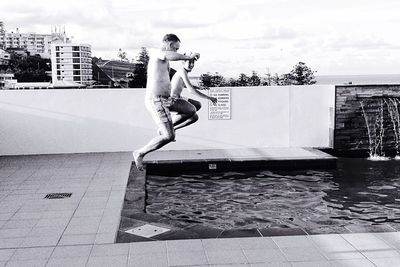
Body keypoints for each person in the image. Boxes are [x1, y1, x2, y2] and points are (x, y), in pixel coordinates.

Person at [133, 34, 200, 171]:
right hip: (156, 100)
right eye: (175, 48)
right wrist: (188, 57)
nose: (176, 51)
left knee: (193, 110)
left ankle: (168, 127)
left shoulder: (165, 61)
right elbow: (169, 55)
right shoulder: (159, 54)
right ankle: (140, 153)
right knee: (169, 137)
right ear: (169, 44)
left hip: (167, 100)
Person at [169, 54, 217, 131]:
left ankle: (173, 129)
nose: (191, 65)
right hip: (172, 99)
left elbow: (184, 84)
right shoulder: (182, 71)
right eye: (189, 62)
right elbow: (191, 90)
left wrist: (199, 87)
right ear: (183, 63)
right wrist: (209, 98)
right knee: (194, 109)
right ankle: (167, 127)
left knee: (195, 115)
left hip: (178, 97)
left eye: (193, 63)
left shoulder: (183, 71)